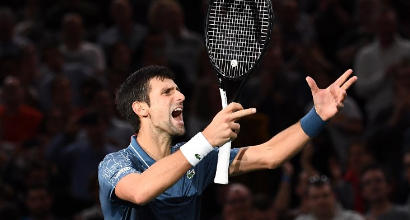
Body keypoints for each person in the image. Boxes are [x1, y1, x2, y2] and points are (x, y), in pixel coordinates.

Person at [98, 65, 357, 219]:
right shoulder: (115, 164)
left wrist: (318, 116)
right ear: (141, 109)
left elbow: (270, 154)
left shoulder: (197, 160)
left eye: (178, 89)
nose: (181, 96)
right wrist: (207, 139)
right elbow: (141, 191)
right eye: (167, 92)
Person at [295, 175, 364, 220]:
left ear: (334, 196)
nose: (321, 201)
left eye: (325, 195)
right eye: (315, 197)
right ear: (308, 201)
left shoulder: (353, 218)